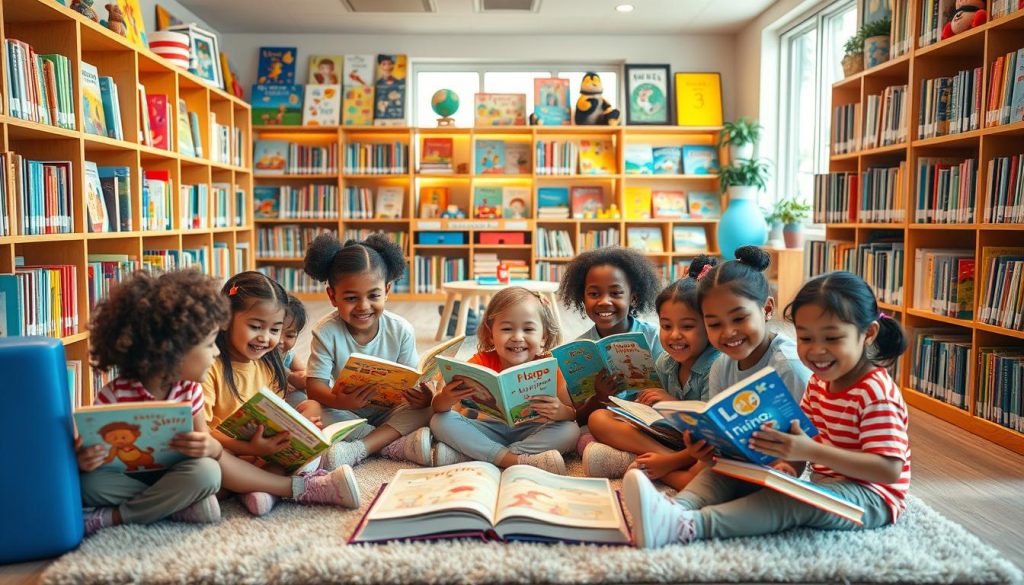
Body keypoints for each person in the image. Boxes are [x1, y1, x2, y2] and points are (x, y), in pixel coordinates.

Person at [624, 270, 911, 547]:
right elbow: (801, 441)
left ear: (868, 333)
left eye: (832, 338)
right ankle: (675, 508)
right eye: (806, 338)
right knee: (727, 470)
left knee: (787, 503)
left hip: (873, 499)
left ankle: (690, 527)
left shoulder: (875, 391)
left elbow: (889, 470)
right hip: (826, 485)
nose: (817, 350)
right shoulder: (820, 383)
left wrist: (807, 452)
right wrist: (786, 466)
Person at [203, 271, 360, 516]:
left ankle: (255, 489)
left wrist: (300, 429)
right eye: (255, 326)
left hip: (264, 453)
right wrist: (252, 449)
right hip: (229, 451)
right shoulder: (210, 366)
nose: (266, 338)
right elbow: (202, 434)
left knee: (311, 408)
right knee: (209, 462)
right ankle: (292, 488)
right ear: (225, 319)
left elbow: (273, 412)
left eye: (275, 330)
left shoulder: (268, 364)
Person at [300, 234, 435, 469]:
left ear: (387, 289)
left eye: (374, 295)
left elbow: (412, 380)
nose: (363, 306)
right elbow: (314, 387)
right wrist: (338, 401)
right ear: (332, 296)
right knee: (313, 409)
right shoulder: (326, 331)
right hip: (345, 411)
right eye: (351, 298)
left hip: (391, 410)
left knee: (430, 409)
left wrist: (423, 397)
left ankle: (361, 447)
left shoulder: (401, 329)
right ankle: (390, 443)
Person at [584, 257, 722, 486]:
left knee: (711, 466)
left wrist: (670, 403)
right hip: (669, 437)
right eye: (666, 326)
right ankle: (663, 461)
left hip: (702, 445)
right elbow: (653, 412)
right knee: (598, 418)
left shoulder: (716, 366)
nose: (675, 335)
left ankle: (665, 469)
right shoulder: (665, 363)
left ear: (709, 325)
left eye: (687, 326)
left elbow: (713, 433)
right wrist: (642, 407)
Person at [430, 287, 580, 474]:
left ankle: (489, 455)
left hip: (533, 430)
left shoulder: (551, 366)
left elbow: (572, 414)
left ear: (543, 337)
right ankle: (515, 460)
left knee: (571, 431)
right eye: (507, 329)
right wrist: (446, 397)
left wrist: (560, 411)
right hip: (488, 429)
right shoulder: (480, 361)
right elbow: (439, 408)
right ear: (491, 335)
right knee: (439, 421)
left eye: (528, 329)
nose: (517, 337)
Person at [557, 246, 663, 430]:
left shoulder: (654, 337)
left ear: (634, 298)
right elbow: (579, 419)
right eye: (594, 294)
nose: (604, 301)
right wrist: (600, 398)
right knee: (587, 431)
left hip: (652, 422)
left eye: (615, 293)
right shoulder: (577, 350)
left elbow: (670, 394)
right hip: (608, 423)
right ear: (582, 299)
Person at [699, 246, 810, 399]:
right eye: (714, 324)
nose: (728, 332)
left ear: (767, 309)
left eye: (739, 318)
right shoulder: (721, 367)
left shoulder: (789, 367)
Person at [280, 294, 308, 405]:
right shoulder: (259, 356)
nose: (280, 341)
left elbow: (304, 376)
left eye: (290, 336)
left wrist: (289, 375)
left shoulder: (288, 355)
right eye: (275, 331)